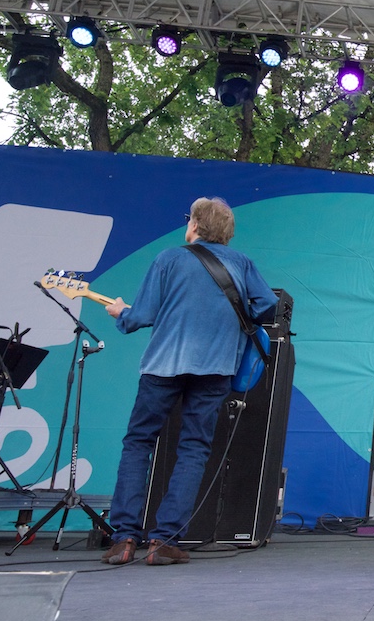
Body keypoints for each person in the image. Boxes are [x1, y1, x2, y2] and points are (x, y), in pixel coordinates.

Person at [101, 197, 278, 565]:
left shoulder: (168, 258)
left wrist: (120, 312)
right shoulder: (242, 263)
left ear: (195, 225)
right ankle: (164, 541)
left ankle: (124, 539)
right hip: (216, 369)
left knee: (138, 444)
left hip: (162, 367)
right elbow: (267, 305)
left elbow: (141, 316)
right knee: (194, 449)